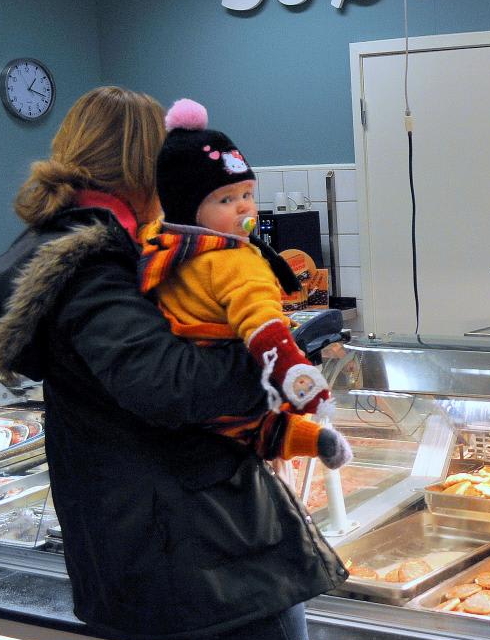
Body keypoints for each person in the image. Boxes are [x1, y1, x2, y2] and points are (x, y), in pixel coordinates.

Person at [0, 86, 346, 640]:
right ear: (146, 166)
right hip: (203, 541)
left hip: (143, 534)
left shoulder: (79, 250)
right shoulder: (95, 264)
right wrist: (282, 355)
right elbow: (169, 386)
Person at [139, 98, 351, 471]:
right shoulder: (237, 262)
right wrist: (303, 382)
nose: (244, 207)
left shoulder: (160, 242)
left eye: (247, 195)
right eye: (226, 199)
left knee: (250, 430)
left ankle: (311, 439)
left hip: (180, 391)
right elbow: (264, 330)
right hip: (229, 375)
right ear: (189, 208)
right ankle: (312, 438)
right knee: (262, 423)